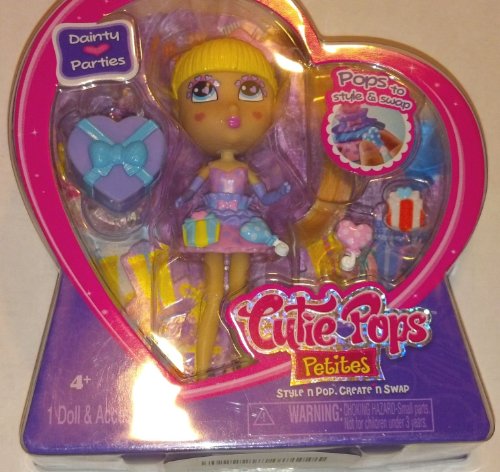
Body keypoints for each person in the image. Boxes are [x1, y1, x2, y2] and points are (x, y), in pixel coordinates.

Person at [171, 37, 290, 377]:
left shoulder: (244, 171)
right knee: (213, 292)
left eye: (250, 91)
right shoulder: (210, 169)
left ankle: (246, 363)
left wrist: (280, 193)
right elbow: (190, 191)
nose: (231, 110)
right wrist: (180, 202)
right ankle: (201, 367)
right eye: (204, 91)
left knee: (240, 293)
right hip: (214, 226)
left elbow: (263, 198)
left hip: (242, 225)